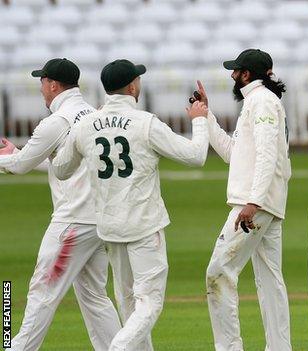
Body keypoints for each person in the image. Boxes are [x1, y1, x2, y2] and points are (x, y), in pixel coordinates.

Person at [51, 59, 209, 350]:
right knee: (149, 304)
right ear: (133, 86)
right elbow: (196, 156)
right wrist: (199, 119)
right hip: (144, 226)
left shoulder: (86, 125)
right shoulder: (145, 123)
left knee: (128, 307)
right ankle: (117, 347)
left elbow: (61, 169)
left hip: (110, 228)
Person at [0, 58, 121, 351]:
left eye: (42, 82)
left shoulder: (56, 122)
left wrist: (10, 158)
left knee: (43, 290)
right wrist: (16, 153)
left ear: (53, 85)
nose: (41, 89)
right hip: (100, 219)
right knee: (94, 296)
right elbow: (66, 164)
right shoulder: (93, 115)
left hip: (73, 222)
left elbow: (19, 166)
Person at [193, 49, 292, 351]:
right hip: (263, 202)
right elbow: (233, 154)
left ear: (246, 74)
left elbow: (266, 154)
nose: (232, 76)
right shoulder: (257, 101)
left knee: (218, 273)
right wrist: (206, 115)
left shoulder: (261, 101)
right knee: (269, 281)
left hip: (254, 205)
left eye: (235, 71)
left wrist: (253, 202)